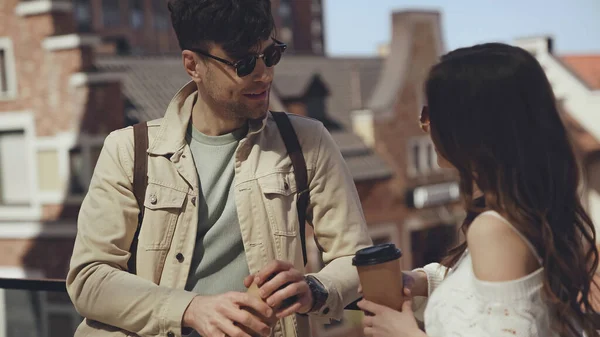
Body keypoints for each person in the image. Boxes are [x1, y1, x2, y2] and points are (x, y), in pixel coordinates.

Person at [66, 1, 372, 337]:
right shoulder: (130, 150)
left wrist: (315, 288)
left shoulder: (307, 142)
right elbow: (89, 278)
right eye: (243, 64)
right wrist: (190, 309)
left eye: (270, 56)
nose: (264, 74)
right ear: (192, 65)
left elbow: (357, 258)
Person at [357, 43, 600, 337]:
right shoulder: (541, 206)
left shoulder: (493, 230)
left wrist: (403, 333)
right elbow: (500, 292)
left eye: (430, 112)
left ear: (471, 127)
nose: (425, 124)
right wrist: (420, 281)